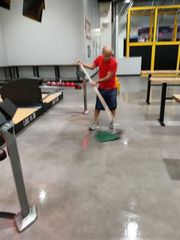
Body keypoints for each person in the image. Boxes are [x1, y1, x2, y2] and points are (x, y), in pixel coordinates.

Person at [78, 47, 118, 131]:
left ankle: (112, 121)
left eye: (109, 56)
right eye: (106, 56)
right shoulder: (99, 58)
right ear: (102, 53)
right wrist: (83, 64)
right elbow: (92, 66)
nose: (108, 58)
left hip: (111, 88)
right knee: (98, 107)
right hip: (102, 88)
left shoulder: (114, 62)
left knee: (112, 107)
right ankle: (95, 122)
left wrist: (97, 81)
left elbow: (109, 77)